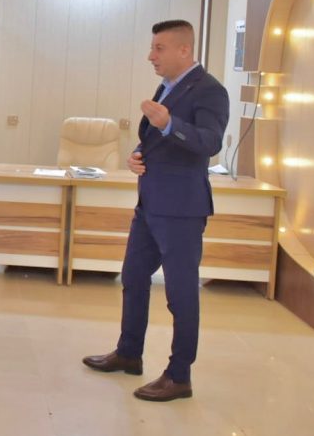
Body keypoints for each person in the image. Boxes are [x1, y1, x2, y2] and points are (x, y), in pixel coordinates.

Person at [82, 20, 229, 402]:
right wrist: (137, 154)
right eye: (152, 48)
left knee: (181, 293)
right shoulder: (167, 86)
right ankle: (129, 352)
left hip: (181, 209)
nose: (151, 56)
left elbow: (209, 143)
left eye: (159, 48)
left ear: (184, 50)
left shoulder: (210, 90)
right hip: (149, 204)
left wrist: (169, 123)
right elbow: (154, 140)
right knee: (133, 276)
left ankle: (179, 376)